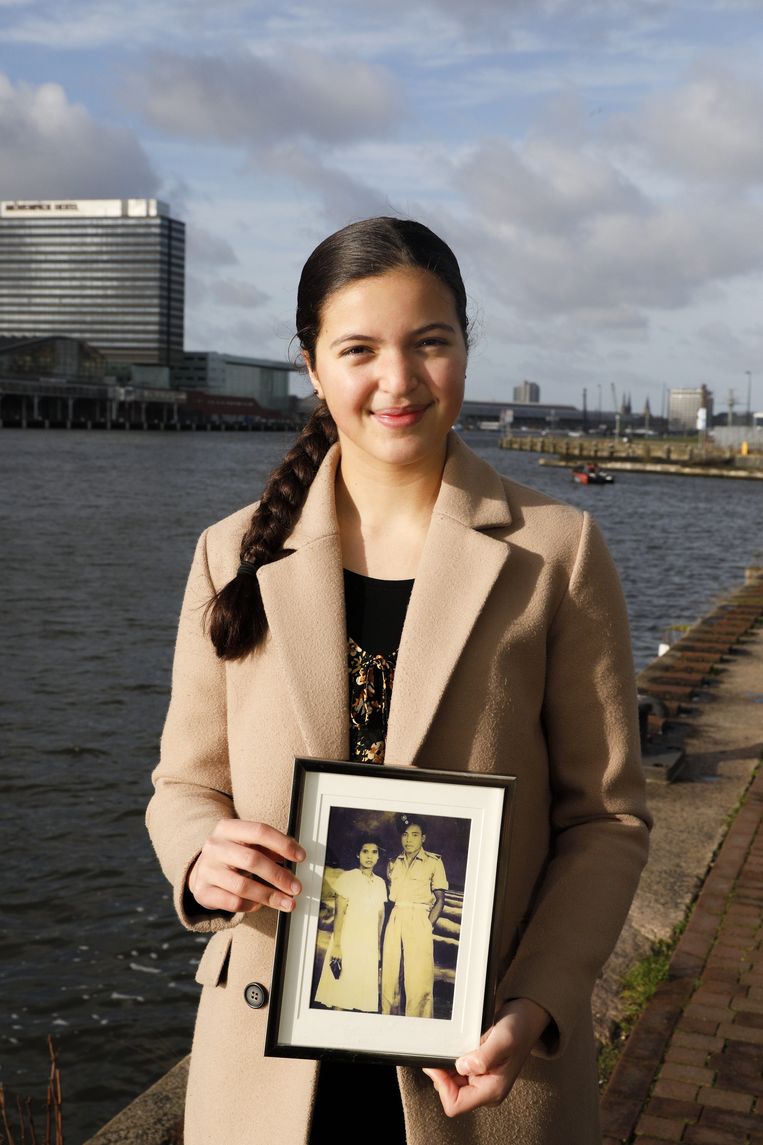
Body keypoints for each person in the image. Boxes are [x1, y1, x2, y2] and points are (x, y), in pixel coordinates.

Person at [147, 216, 650, 1145]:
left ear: (465, 345)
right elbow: (183, 781)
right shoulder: (230, 552)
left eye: (430, 343)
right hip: (265, 1064)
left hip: (480, 1061)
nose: (398, 379)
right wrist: (198, 853)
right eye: (359, 349)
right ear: (312, 364)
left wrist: (537, 1004)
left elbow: (606, 819)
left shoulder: (555, 551)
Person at [382, 816, 447, 1018]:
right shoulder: (393, 863)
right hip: (396, 916)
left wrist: (427, 926)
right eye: (405, 834)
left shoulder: (434, 862)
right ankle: (388, 1020)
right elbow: (391, 898)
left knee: (418, 976)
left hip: (420, 917)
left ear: (423, 838)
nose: (409, 839)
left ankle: (419, 1024)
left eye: (415, 835)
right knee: (390, 973)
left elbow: (440, 900)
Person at [313, 836, 387, 1013]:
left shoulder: (380, 883)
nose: (369, 856)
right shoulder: (348, 878)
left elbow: (380, 917)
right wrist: (337, 946)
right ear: (357, 854)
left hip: (367, 944)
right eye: (365, 851)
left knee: (361, 996)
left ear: (378, 857)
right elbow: (339, 914)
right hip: (348, 941)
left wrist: (377, 948)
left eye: (374, 852)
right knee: (340, 993)